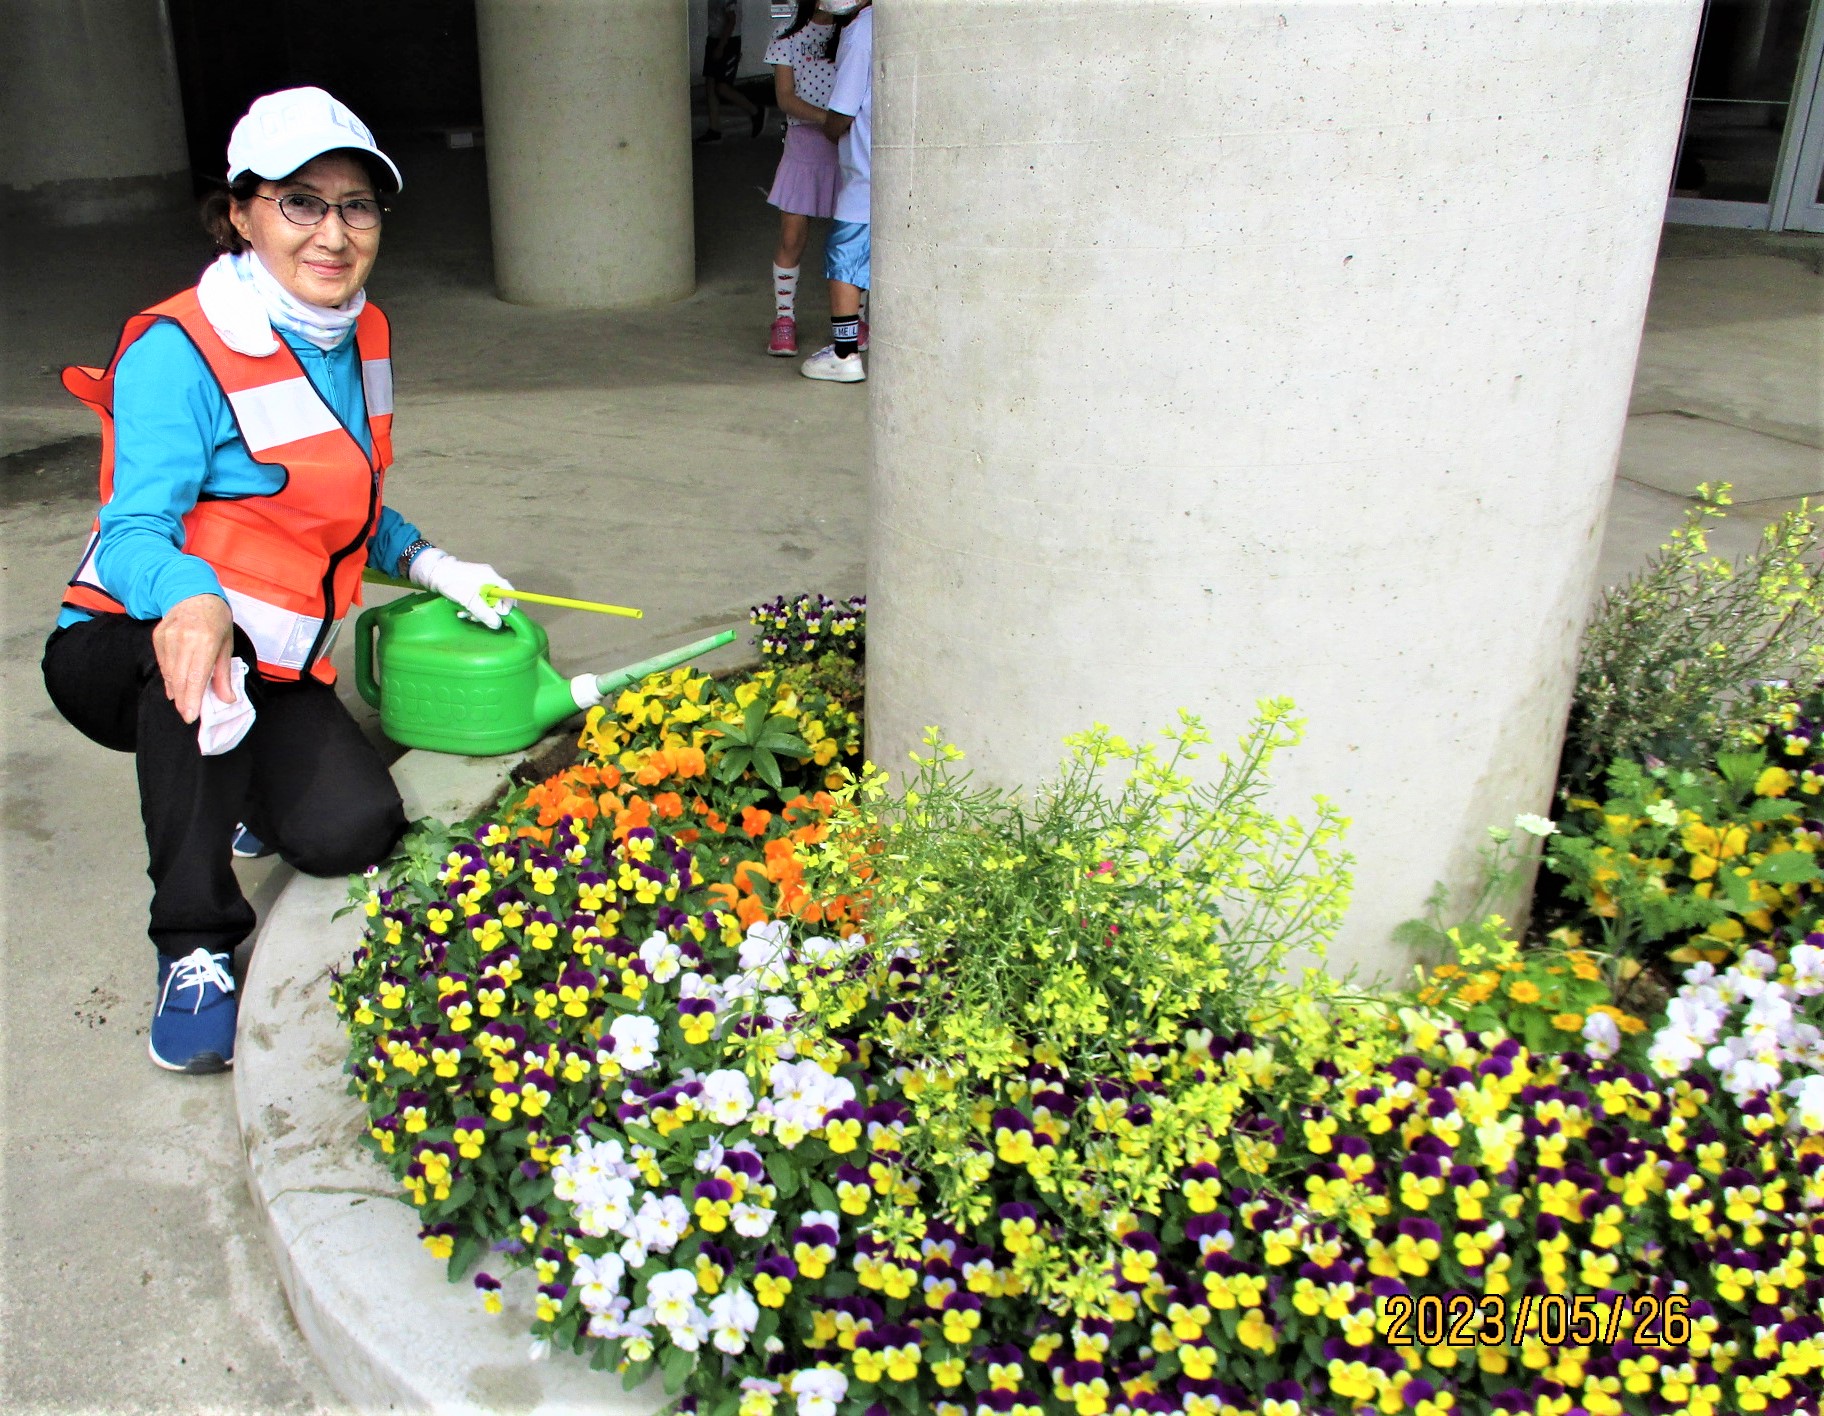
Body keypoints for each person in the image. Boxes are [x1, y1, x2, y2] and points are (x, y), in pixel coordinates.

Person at [41, 87, 516, 1075]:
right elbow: (131, 534)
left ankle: (242, 774)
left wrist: (430, 562)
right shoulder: (179, 347)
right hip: (125, 640)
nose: (333, 233)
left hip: (276, 660)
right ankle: (193, 944)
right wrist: (193, 596)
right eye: (301, 202)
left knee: (353, 830)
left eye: (357, 205)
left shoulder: (360, 334)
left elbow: (340, 500)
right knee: (200, 672)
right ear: (242, 212)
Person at [761, 2, 841, 357]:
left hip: (848, 147)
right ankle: (784, 320)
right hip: (804, 148)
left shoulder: (855, 34)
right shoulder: (786, 38)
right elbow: (785, 97)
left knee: (852, 237)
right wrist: (830, 120)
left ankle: (857, 318)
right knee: (792, 235)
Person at [800, 0, 873, 383]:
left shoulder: (860, 31)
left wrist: (828, 128)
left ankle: (845, 354)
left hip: (865, 169)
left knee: (844, 256)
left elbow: (842, 111)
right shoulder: (890, 22)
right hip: (893, 167)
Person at [698, 0, 764, 144]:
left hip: (728, 41)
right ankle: (714, 129)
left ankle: (755, 111)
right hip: (714, 38)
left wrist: (721, 46)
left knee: (722, 87)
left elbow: (732, 20)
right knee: (710, 85)